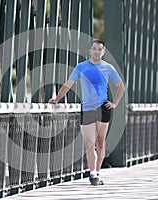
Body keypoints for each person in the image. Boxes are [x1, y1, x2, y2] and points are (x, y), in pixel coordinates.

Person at [48, 39, 125, 185]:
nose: (96, 51)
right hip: (88, 109)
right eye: (94, 49)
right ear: (90, 51)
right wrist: (57, 99)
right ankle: (92, 174)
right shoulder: (81, 67)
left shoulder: (108, 68)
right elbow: (67, 85)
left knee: (100, 142)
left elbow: (121, 87)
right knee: (89, 143)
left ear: (103, 52)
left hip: (103, 108)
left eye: (99, 49)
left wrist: (115, 103)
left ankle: (98, 172)